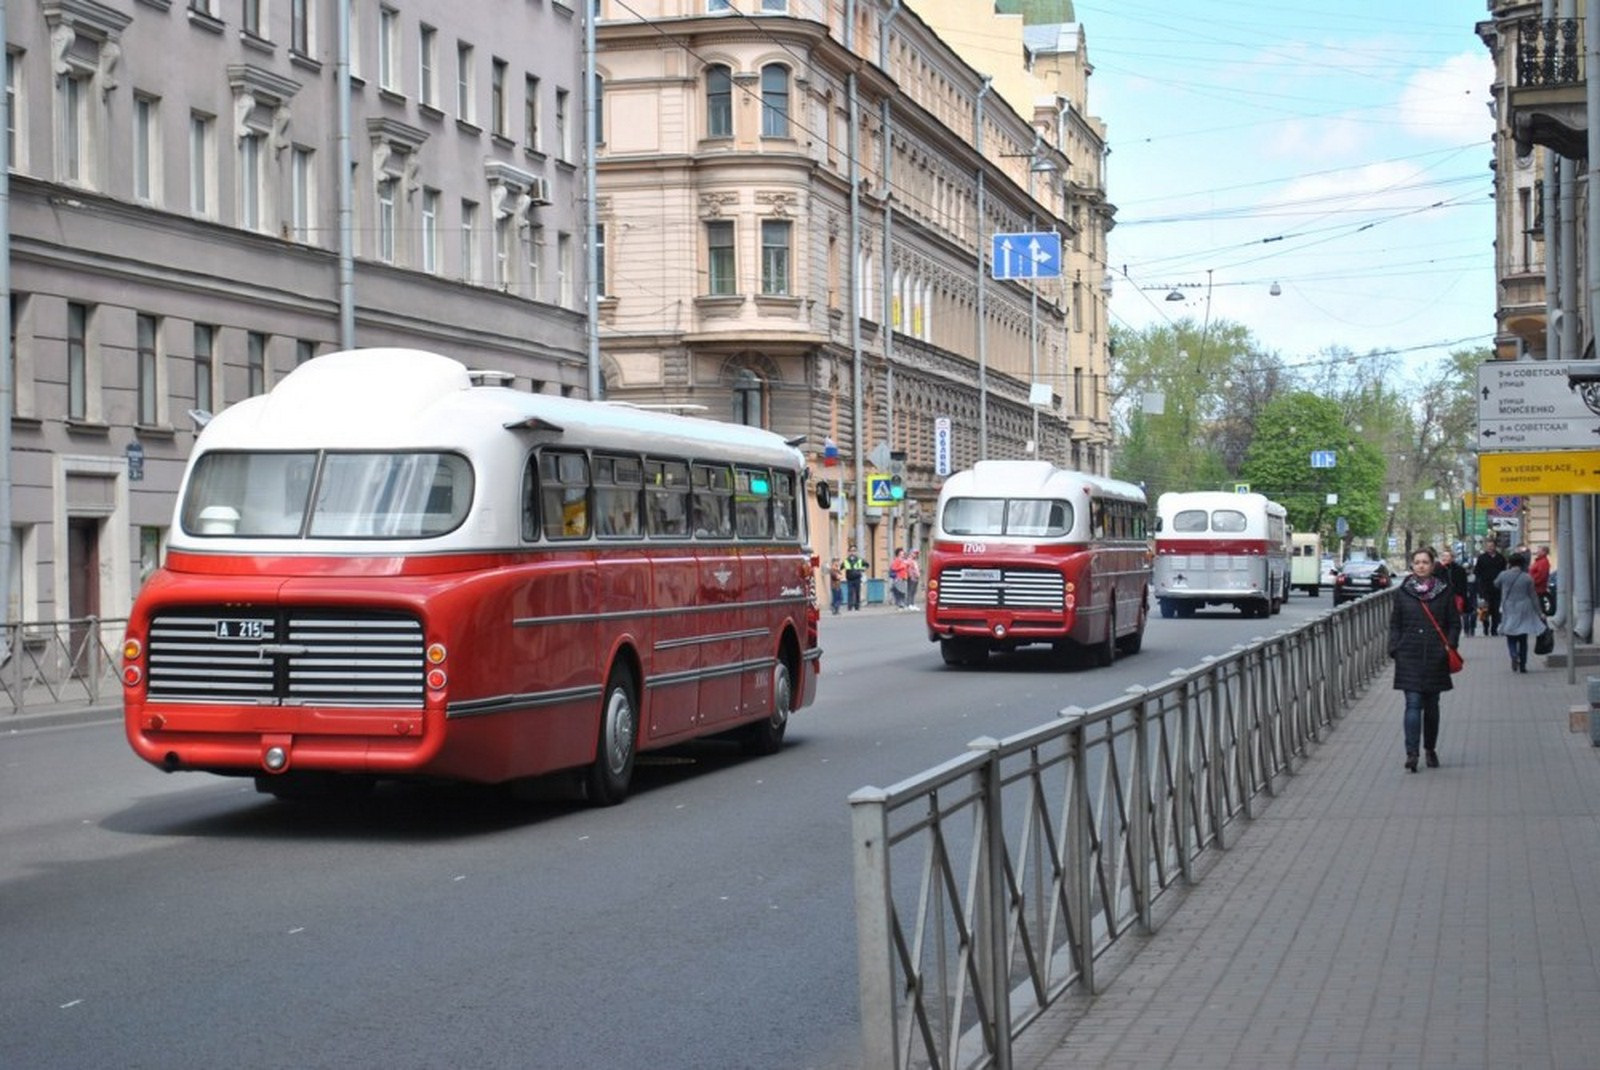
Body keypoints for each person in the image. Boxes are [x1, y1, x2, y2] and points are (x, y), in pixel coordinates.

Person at [1389, 547, 1461, 773]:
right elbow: (1395, 624)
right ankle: (1412, 753)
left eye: (1425, 562)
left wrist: (1449, 646)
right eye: (1417, 562)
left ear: (1432, 565)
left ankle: (1430, 748)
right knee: (1412, 704)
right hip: (1409, 655)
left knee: (1431, 707)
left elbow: (1454, 623)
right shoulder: (1403, 592)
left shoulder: (1444, 591)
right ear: (1412, 565)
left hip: (1435, 656)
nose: (1421, 566)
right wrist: (1395, 648)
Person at [1495, 550, 1547, 674]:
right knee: (1523, 638)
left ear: (1509, 563)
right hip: (1524, 608)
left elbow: (1496, 584)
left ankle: (1513, 655)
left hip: (1509, 607)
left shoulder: (1503, 575)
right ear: (1522, 564)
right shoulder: (1527, 577)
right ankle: (1523, 665)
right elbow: (1533, 596)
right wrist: (1540, 613)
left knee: (1510, 635)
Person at [1474, 540, 1506, 636]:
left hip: (1497, 589)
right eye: (1488, 546)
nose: (1490, 548)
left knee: (1495, 610)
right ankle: (1485, 627)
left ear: (1495, 547)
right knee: (1485, 610)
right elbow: (1477, 572)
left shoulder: (1500, 558)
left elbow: (1504, 572)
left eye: (1491, 546)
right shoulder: (1482, 558)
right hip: (1485, 589)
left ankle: (1494, 629)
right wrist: (1479, 588)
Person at [1434, 549, 1470, 619]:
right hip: (1441, 598)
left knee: (1454, 617)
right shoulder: (1437, 568)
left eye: (1447, 556)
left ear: (1452, 558)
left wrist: (1464, 600)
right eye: (1443, 556)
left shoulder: (1459, 570)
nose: (1445, 558)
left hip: (1455, 597)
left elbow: (1463, 586)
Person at [1529, 544, 1553, 616]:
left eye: (1539, 551)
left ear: (1544, 552)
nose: (1537, 552)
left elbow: (1541, 576)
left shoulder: (1543, 562)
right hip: (1536, 588)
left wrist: (1532, 582)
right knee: (1538, 608)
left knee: (1539, 608)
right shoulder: (1539, 561)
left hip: (1538, 589)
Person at [843, 546, 868, 611]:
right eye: (851, 551)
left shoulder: (859, 560)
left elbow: (867, 565)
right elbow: (841, 566)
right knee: (850, 592)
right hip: (850, 578)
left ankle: (857, 606)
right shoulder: (847, 560)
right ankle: (850, 606)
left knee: (857, 592)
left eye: (854, 551)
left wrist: (862, 569)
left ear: (856, 552)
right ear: (849, 552)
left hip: (857, 578)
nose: (852, 552)